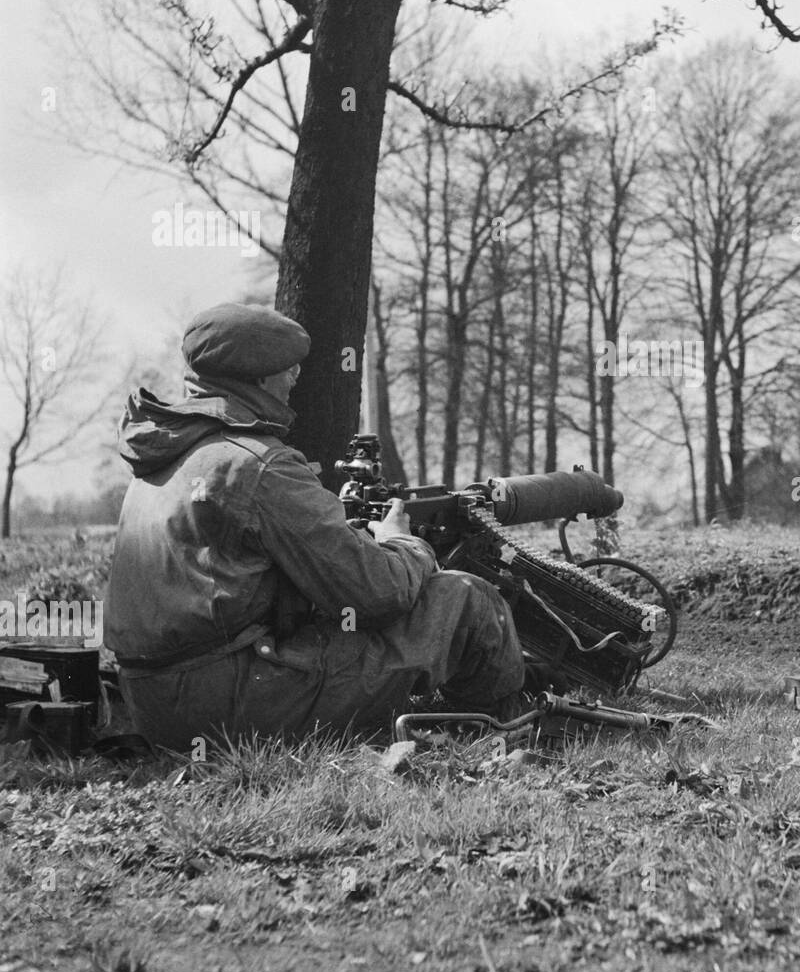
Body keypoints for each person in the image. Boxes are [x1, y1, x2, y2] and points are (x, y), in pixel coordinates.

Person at [105, 302, 526, 751]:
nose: (293, 381)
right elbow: (376, 593)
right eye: (287, 371)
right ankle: (504, 732)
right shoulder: (256, 464)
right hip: (225, 706)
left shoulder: (163, 455)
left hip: (153, 704)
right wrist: (402, 542)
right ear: (259, 377)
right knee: (466, 599)